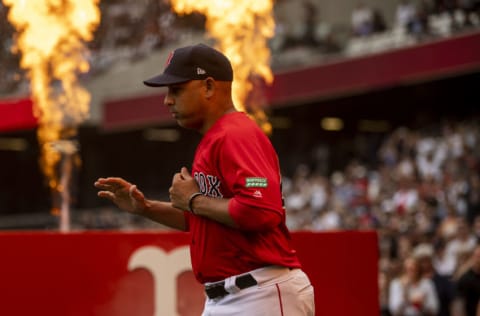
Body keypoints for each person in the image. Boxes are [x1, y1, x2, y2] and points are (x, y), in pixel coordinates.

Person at [94, 43, 315, 316]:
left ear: (208, 87)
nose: (167, 100)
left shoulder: (236, 135)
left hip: (260, 293)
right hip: (232, 296)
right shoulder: (215, 138)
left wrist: (194, 200)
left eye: (176, 90)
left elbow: (260, 209)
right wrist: (146, 207)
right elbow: (203, 218)